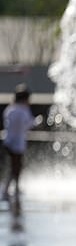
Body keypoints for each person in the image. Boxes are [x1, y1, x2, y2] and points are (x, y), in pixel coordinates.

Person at [1, 83, 35, 214]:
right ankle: (11, 188)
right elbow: (28, 124)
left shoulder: (10, 109)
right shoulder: (23, 110)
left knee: (15, 167)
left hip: (9, 142)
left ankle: (11, 188)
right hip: (18, 144)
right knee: (17, 168)